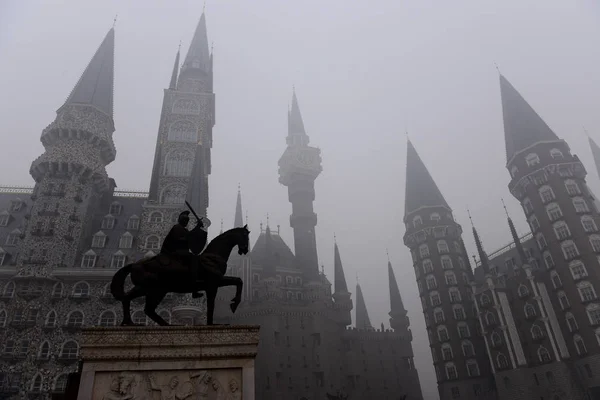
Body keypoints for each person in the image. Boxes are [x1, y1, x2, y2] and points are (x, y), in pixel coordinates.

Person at [160, 210, 207, 298]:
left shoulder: (182, 229)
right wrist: (196, 228)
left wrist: (197, 227)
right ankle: (194, 289)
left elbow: (189, 236)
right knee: (194, 260)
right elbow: (184, 238)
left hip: (180, 252)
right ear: (181, 221)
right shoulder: (177, 228)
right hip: (174, 252)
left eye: (187, 221)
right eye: (185, 221)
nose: (186, 223)